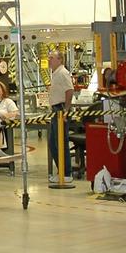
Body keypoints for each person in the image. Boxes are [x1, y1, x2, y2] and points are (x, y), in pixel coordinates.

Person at [47, 51, 74, 181]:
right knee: (53, 143)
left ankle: (67, 173)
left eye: (51, 58)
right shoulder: (55, 74)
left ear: (60, 60)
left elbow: (70, 90)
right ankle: (61, 171)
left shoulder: (63, 73)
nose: (49, 60)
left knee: (61, 142)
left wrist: (66, 110)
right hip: (55, 110)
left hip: (61, 109)